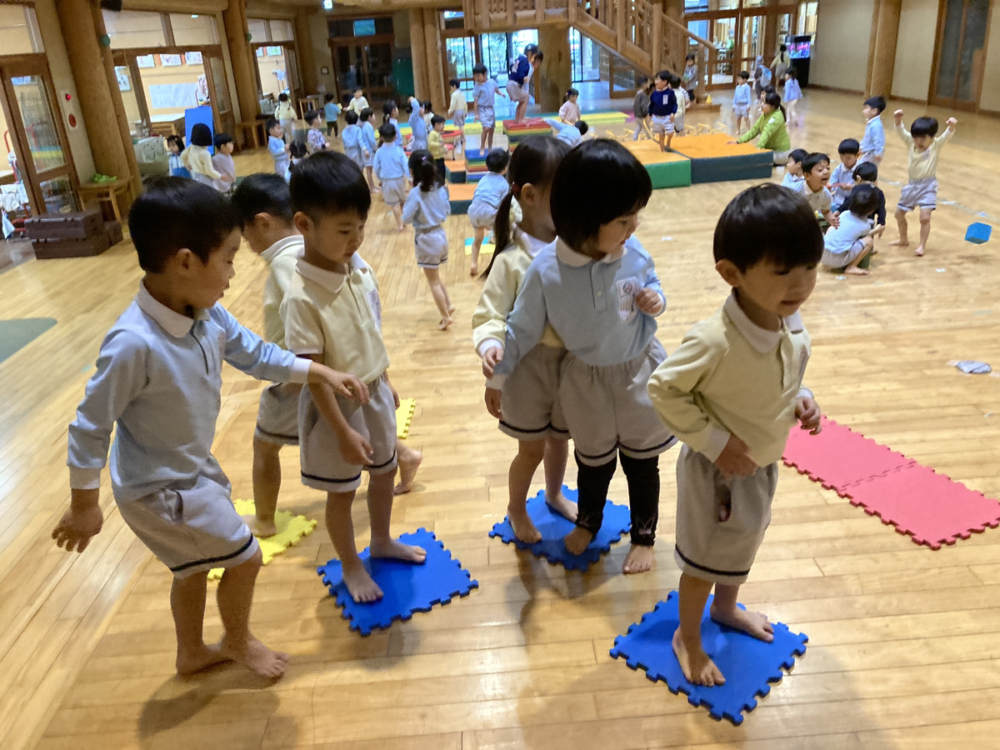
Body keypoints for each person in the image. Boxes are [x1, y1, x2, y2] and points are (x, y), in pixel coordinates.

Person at [54, 177, 369, 678]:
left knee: (194, 565)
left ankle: (191, 652)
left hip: (188, 467)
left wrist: (319, 371)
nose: (232, 272)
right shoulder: (133, 344)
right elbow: (90, 425)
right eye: (226, 258)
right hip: (157, 488)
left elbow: (258, 354)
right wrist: (84, 504)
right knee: (245, 558)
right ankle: (237, 640)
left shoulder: (206, 314)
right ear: (184, 262)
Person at [647, 182, 823, 687]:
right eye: (784, 270)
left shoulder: (789, 319)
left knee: (743, 545)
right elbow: (663, 390)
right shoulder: (714, 340)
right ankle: (689, 639)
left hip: (763, 463)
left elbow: (778, 378)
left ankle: (726, 609)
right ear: (732, 274)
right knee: (704, 562)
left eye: (810, 266)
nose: (803, 282)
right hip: (716, 473)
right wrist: (717, 444)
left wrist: (801, 399)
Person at [485, 140, 676, 575]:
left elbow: (653, 281)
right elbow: (521, 329)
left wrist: (655, 300)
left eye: (636, 217)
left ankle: (644, 535)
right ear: (586, 219)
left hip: (637, 371)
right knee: (592, 461)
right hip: (585, 379)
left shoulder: (634, 251)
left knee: (642, 462)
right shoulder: (546, 269)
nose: (634, 227)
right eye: (624, 219)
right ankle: (589, 522)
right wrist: (497, 376)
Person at [283, 152, 427, 604]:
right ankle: (350, 564)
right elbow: (313, 375)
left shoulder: (358, 268)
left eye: (361, 227)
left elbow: (368, 330)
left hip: (375, 390)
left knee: (384, 473)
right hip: (335, 410)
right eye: (345, 231)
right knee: (342, 494)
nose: (356, 238)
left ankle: (381, 539)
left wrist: (385, 376)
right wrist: (342, 430)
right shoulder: (301, 297)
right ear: (304, 225)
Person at [473, 135, 576, 543]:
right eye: (562, 195)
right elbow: (490, 317)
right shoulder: (511, 260)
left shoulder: (574, 247)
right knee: (531, 449)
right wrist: (493, 366)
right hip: (527, 367)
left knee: (560, 440)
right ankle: (516, 508)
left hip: (569, 367)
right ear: (529, 195)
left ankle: (553, 494)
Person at [230, 173, 306, 537]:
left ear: (263, 222)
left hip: (297, 374)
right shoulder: (310, 247)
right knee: (353, 427)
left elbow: (304, 319)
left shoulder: (283, 263)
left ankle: (263, 520)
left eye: (247, 237)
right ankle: (402, 455)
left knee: (264, 444)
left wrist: (296, 374)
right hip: (316, 371)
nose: (248, 246)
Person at [891, 109, 957, 257]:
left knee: (925, 217)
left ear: (932, 137)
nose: (919, 142)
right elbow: (901, 132)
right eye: (916, 138)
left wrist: (951, 127)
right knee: (898, 214)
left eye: (923, 138)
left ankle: (921, 246)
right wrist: (898, 120)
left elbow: (947, 136)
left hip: (928, 186)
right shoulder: (911, 143)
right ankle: (903, 239)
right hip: (912, 186)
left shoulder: (936, 144)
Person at [402, 150, 454, 330]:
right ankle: (448, 304)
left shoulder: (416, 193)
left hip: (426, 238)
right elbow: (447, 211)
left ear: (412, 171)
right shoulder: (440, 187)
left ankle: (445, 316)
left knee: (432, 281)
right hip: (441, 235)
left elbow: (405, 218)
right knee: (436, 276)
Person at [467, 148, 511, 276]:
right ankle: (497, 264)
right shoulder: (503, 183)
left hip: (474, 210)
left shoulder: (483, 179)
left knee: (478, 239)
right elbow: (503, 207)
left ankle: (473, 264)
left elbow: (476, 195)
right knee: (503, 236)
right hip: (489, 212)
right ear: (505, 168)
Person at [822, 184, 880, 276]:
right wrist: (876, 230)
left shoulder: (844, 214)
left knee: (831, 228)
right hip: (838, 261)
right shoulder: (865, 226)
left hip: (822, 254)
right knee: (869, 241)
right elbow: (865, 235)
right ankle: (851, 267)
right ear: (871, 211)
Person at [733, 91, 791, 165]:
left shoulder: (777, 116)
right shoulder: (764, 115)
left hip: (781, 153)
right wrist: (739, 141)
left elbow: (766, 132)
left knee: (752, 161)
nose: (762, 105)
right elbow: (754, 130)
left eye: (765, 103)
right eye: (762, 102)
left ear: (772, 106)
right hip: (770, 150)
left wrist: (758, 150)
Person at [835, 161, 886, 237]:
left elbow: (847, 202)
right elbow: (882, 210)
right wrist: (881, 223)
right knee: (867, 241)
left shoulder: (856, 189)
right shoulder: (879, 193)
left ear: (858, 179)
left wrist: (838, 211)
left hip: (851, 220)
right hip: (868, 223)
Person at [373, 123, 409, 231]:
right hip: (400, 179)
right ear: (395, 136)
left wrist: (380, 178)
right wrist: (410, 178)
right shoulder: (399, 150)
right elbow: (405, 165)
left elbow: (376, 167)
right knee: (402, 200)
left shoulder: (379, 152)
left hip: (387, 181)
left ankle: (399, 225)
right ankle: (404, 219)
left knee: (394, 204)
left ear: (381, 137)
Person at [799, 152, 839, 230]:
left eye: (828, 168)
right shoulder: (795, 191)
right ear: (807, 175)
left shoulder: (826, 195)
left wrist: (831, 219)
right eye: (820, 170)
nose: (826, 172)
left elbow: (826, 211)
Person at [181, 123, 226, 189]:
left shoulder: (191, 147)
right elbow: (209, 171)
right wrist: (220, 176)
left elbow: (182, 156)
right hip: (204, 178)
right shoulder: (205, 154)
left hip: (194, 175)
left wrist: (186, 164)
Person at [472, 64, 505, 151]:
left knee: (491, 130)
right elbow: (475, 101)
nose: (477, 78)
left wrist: (501, 93)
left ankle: (490, 147)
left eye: (478, 75)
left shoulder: (491, 82)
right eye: (475, 76)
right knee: (486, 128)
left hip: (491, 109)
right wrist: (476, 114)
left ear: (485, 74)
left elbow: (496, 89)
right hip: (482, 109)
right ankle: (482, 146)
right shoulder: (477, 86)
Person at [507, 44, 540, 124]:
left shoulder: (519, 59)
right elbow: (521, 73)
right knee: (526, 98)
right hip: (514, 84)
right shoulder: (525, 61)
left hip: (510, 83)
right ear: (530, 54)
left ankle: (517, 118)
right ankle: (520, 119)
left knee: (522, 100)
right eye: (534, 57)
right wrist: (523, 78)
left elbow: (512, 68)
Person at [649, 70, 677, 152]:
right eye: (655, 79)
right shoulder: (654, 93)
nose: (656, 81)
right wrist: (650, 114)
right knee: (661, 135)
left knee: (670, 133)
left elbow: (674, 104)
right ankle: (662, 149)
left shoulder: (670, 93)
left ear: (665, 82)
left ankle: (668, 140)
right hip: (657, 117)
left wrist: (673, 113)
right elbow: (651, 104)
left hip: (667, 116)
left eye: (658, 80)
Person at [828, 138, 860, 206]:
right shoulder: (838, 169)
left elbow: (867, 188)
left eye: (848, 158)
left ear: (857, 155)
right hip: (837, 201)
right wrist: (829, 187)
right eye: (842, 158)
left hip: (855, 203)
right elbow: (832, 183)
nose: (845, 161)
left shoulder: (862, 169)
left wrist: (852, 187)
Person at [860, 95, 887, 165]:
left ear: (874, 111)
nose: (864, 110)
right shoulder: (871, 123)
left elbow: (879, 140)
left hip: (872, 153)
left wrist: (878, 153)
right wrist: (862, 146)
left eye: (866, 108)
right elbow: (867, 137)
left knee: (865, 170)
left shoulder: (876, 125)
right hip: (868, 152)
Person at [359, 107, 378, 192]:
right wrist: (375, 148)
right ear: (369, 117)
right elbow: (372, 140)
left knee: (369, 169)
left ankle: (373, 186)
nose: (374, 116)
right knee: (369, 170)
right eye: (373, 115)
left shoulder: (365, 125)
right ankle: (372, 187)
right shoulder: (368, 126)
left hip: (367, 150)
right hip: (368, 151)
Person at [448, 79, 468, 155]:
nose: (451, 89)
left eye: (451, 87)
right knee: (461, 124)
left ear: (454, 86)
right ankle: (462, 137)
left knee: (460, 125)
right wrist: (466, 111)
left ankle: (463, 137)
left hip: (457, 111)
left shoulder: (454, 95)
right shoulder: (461, 93)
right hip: (462, 110)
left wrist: (449, 111)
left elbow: (453, 105)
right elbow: (465, 103)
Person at [428, 114, 448, 180]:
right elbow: (430, 143)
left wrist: (445, 149)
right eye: (442, 124)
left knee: (442, 173)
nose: (443, 126)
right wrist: (439, 145)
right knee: (437, 174)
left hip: (440, 157)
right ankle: (438, 185)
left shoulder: (438, 133)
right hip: (435, 158)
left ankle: (441, 184)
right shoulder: (432, 133)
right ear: (437, 125)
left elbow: (441, 143)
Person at [632, 76, 652, 141]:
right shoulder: (643, 95)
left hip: (637, 115)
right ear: (644, 84)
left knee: (638, 127)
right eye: (647, 83)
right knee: (647, 128)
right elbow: (644, 106)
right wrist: (647, 114)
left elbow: (635, 105)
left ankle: (634, 138)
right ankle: (650, 139)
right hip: (642, 116)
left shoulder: (637, 94)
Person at [733, 71, 753, 135]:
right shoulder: (737, 87)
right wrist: (734, 104)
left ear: (745, 80)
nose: (738, 80)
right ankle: (738, 130)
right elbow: (735, 96)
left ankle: (749, 130)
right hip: (737, 105)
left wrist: (748, 105)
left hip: (744, 105)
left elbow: (748, 96)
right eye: (738, 79)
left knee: (746, 117)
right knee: (738, 118)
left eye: (740, 79)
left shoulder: (747, 87)